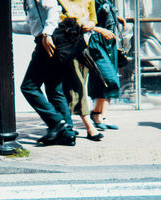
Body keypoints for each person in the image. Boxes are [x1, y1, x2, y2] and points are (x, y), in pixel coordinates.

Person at [13, 0, 76, 146]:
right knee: (54, 89)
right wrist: (9, 27)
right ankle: (67, 132)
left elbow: (54, 9)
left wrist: (47, 34)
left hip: (48, 41)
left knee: (29, 87)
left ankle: (56, 123)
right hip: (51, 40)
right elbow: (33, 26)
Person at [58, 0, 104, 141]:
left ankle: (66, 125)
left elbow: (93, 18)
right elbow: (58, 20)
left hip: (84, 45)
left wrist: (91, 24)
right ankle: (89, 126)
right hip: (68, 46)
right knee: (77, 85)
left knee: (75, 86)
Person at [88, 0, 126, 131]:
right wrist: (100, 29)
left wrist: (117, 19)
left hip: (109, 43)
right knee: (108, 79)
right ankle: (96, 114)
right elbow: (81, 20)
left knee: (109, 80)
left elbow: (106, 11)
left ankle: (102, 116)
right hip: (96, 41)